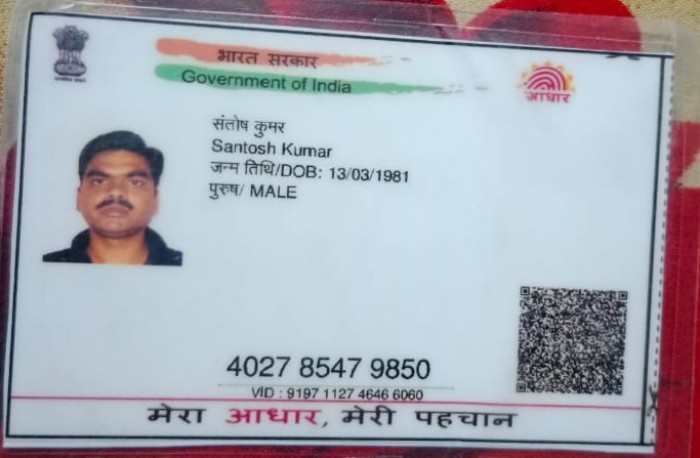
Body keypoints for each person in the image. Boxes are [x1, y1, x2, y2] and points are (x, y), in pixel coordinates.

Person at [43, 131, 182, 266]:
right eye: (99, 181)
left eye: (135, 182)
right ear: (79, 199)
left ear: (155, 201)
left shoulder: (184, 268)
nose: (115, 191)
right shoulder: (48, 267)